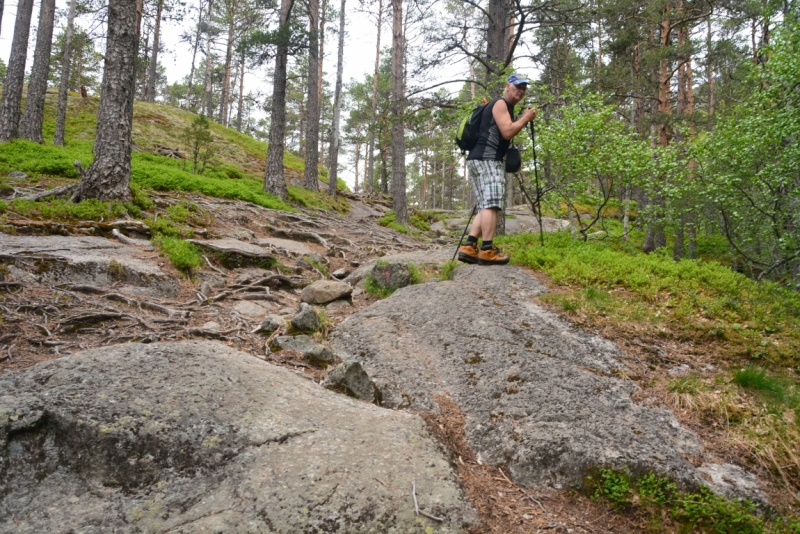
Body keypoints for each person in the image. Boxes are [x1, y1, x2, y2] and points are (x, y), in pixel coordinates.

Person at [458, 73, 537, 265]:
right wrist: (526, 118)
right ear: (508, 86)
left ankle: (469, 246)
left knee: (486, 204)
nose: (521, 90)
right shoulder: (501, 103)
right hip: (487, 159)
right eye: (518, 86)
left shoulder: (503, 106)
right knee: (492, 204)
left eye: (524, 88)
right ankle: (487, 250)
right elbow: (508, 131)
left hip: (478, 159)